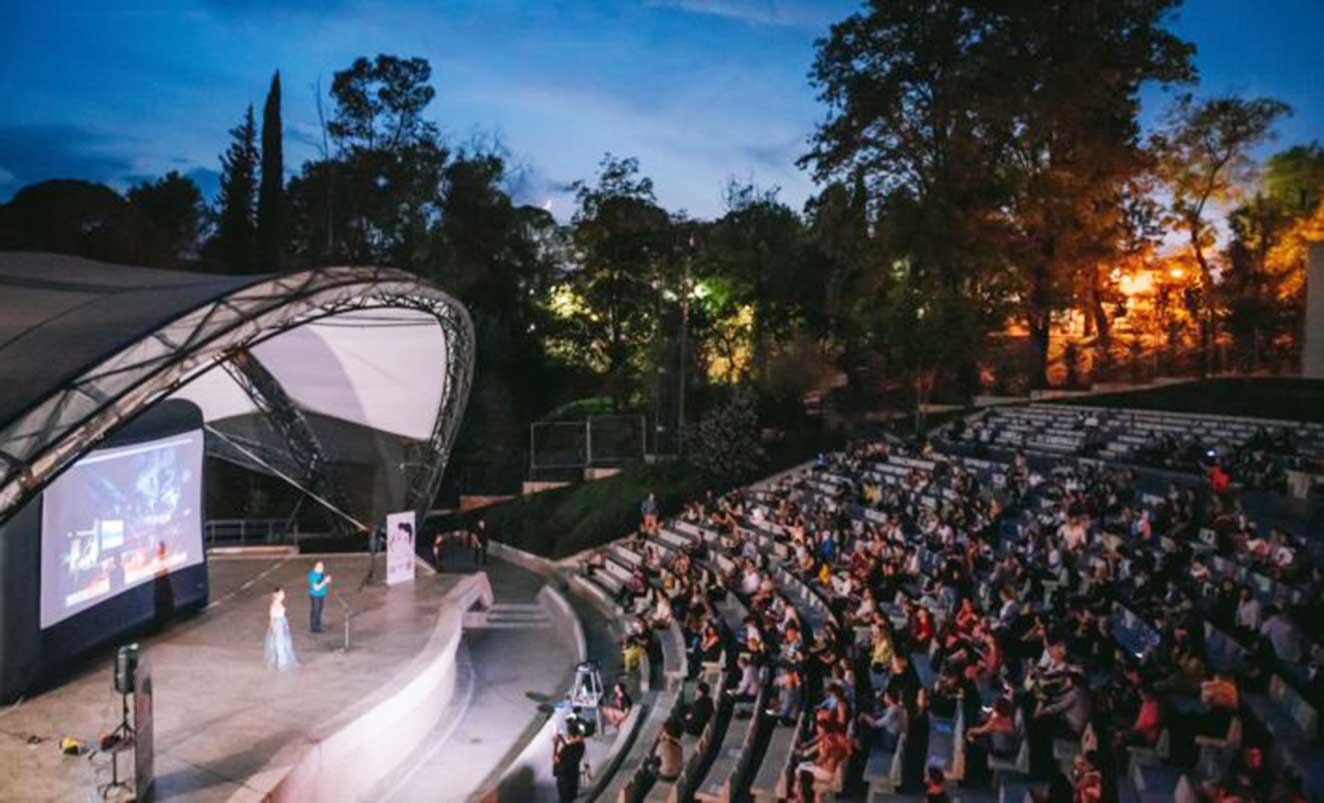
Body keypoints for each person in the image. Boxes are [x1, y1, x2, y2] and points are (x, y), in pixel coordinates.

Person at [265, 587, 298, 671]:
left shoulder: (279, 603)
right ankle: (281, 663)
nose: (283, 595)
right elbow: (272, 619)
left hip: (282, 623)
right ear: (277, 595)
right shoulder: (273, 605)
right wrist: (274, 630)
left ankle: (284, 660)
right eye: (282, 593)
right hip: (278, 625)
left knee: (285, 642)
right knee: (279, 644)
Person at [552, 721, 587, 802]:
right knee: (572, 797)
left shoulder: (566, 751)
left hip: (564, 779)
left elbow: (555, 759)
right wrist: (563, 740)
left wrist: (556, 745)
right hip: (573, 776)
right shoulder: (581, 745)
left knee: (564, 799)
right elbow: (570, 746)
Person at [308, 561, 331, 634]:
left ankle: (318, 625)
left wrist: (327, 580)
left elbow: (323, 583)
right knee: (315, 611)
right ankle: (314, 628)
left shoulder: (321, 573)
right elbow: (316, 588)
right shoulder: (312, 575)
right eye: (319, 566)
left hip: (321, 595)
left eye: (322, 566)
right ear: (315, 567)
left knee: (319, 610)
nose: (321, 568)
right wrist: (324, 581)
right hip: (315, 595)